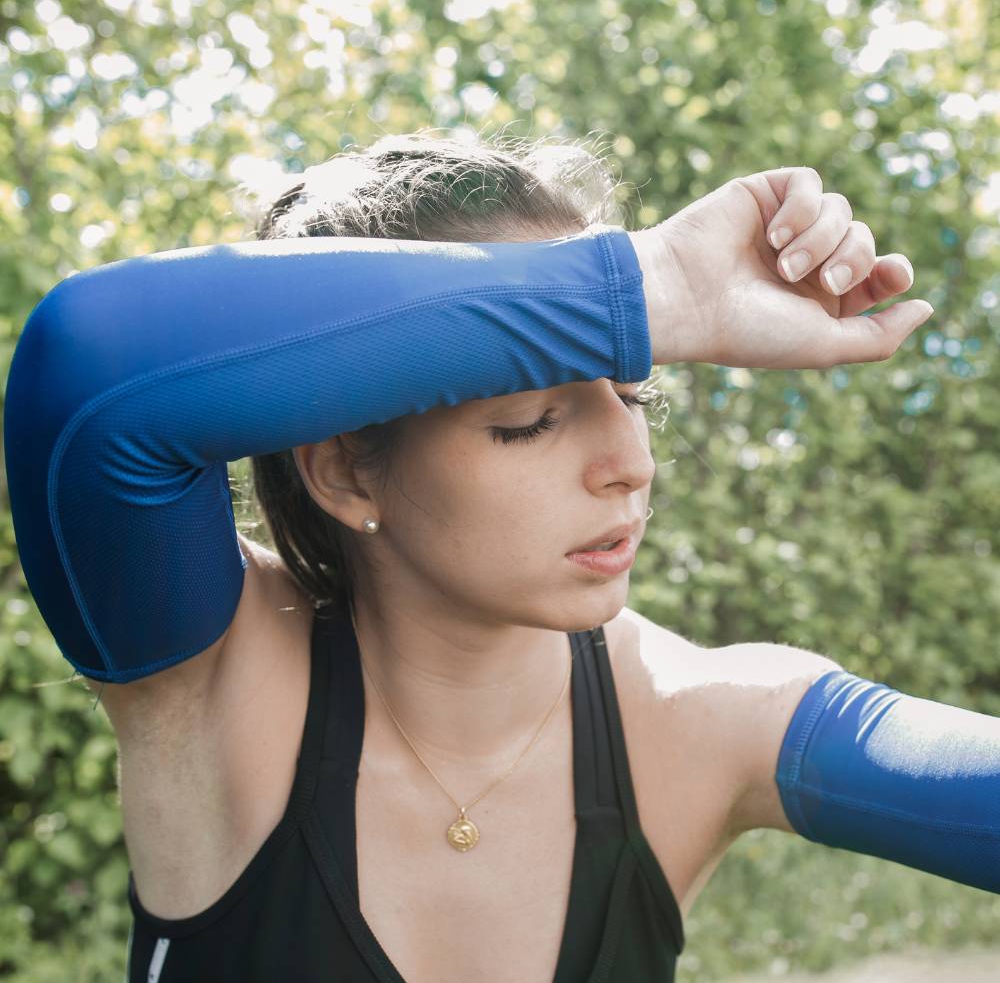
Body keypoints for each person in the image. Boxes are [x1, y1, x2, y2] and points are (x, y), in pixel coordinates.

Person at [5, 132, 997, 983]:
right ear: (345, 471)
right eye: (528, 419)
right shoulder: (215, 681)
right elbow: (92, 370)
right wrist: (650, 285)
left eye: (631, 392)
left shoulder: (704, 720)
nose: (630, 462)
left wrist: (600, 311)